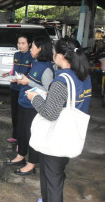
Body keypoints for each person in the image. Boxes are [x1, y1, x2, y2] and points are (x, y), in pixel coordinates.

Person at [26, 38, 91, 202]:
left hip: (57, 136)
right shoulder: (84, 76)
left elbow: (50, 113)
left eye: (55, 53)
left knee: (52, 179)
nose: (53, 55)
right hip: (71, 133)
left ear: (61, 56)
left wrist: (34, 97)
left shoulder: (61, 80)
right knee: (57, 174)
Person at [6, 36, 54, 176]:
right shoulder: (36, 63)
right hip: (24, 103)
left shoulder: (47, 69)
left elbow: (47, 90)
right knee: (21, 133)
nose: (31, 49)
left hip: (34, 108)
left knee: (32, 135)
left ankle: (31, 164)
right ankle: (20, 156)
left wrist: (28, 82)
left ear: (40, 49)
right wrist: (22, 81)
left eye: (32, 46)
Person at [2, 35, 33, 144]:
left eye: (23, 43)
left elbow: (32, 73)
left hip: (25, 88)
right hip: (14, 87)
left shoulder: (32, 56)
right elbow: (14, 69)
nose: (20, 45)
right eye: (19, 43)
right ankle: (15, 136)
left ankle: (24, 138)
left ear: (29, 44)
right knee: (14, 113)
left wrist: (22, 80)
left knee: (23, 114)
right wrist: (8, 74)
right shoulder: (16, 54)